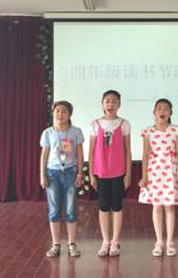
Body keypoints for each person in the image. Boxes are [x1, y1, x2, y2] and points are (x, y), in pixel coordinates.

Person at [138, 98, 178, 256]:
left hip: (171, 170)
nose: (162, 111)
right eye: (159, 108)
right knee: (157, 207)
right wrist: (144, 176)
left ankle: (170, 242)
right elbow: (145, 155)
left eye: (166, 108)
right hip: (154, 172)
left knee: (169, 207)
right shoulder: (148, 131)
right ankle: (159, 242)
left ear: (170, 113)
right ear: (154, 112)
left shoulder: (176, 130)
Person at [88, 90, 132, 257]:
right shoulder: (95, 124)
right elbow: (91, 151)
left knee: (117, 206)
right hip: (100, 172)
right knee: (103, 207)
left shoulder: (124, 124)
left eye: (114, 101)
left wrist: (128, 174)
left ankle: (115, 241)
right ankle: (105, 241)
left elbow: (128, 151)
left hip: (118, 172)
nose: (110, 104)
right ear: (102, 104)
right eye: (107, 101)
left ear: (119, 105)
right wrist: (91, 174)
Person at [39, 100, 84, 257]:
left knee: (71, 210)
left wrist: (80, 173)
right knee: (54, 210)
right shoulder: (48, 133)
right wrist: (42, 174)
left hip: (70, 172)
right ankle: (56, 244)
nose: (60, 114)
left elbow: (80, 153)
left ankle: (71, 244)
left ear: (69, 114)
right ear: (53, 113)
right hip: (52, 173)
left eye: (64, 111)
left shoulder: (76, 131)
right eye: (57, 111)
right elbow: (44, 155)